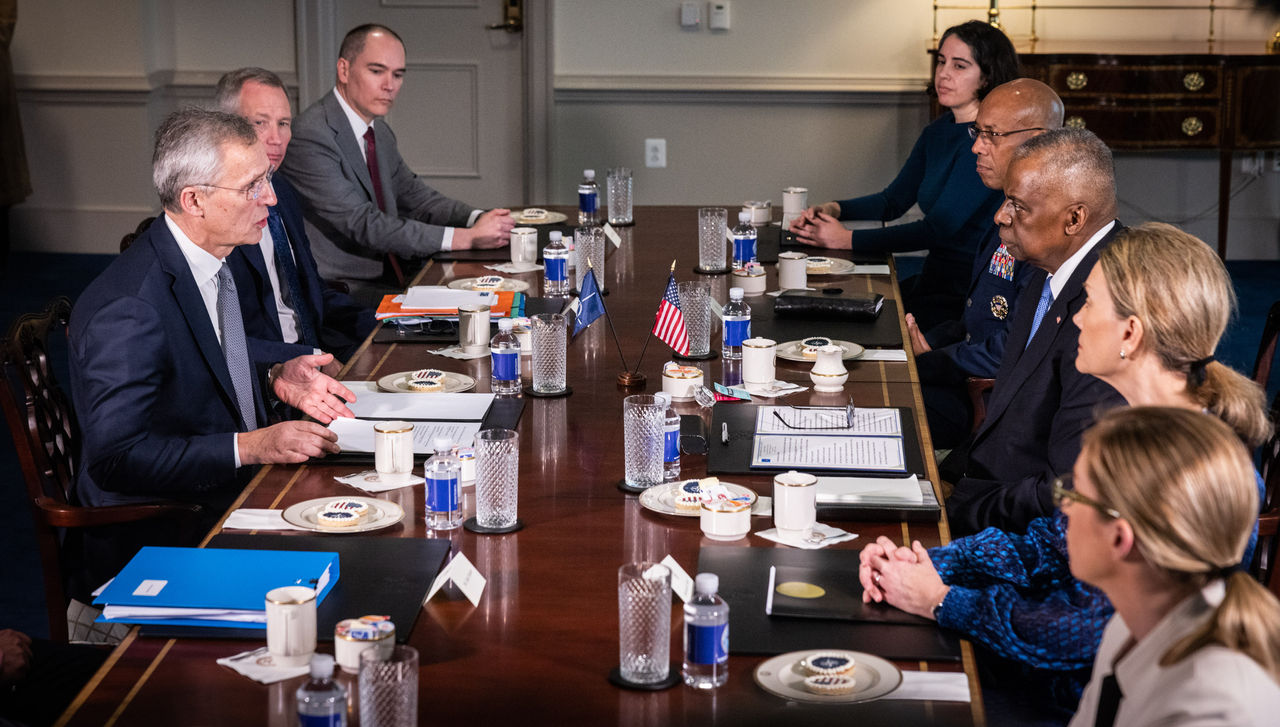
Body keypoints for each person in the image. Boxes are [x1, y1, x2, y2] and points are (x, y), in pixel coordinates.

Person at [860, 224, 1271, 722]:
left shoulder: (1186, 467)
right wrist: (929, 563)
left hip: (1078, 692)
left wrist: (943, 602)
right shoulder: (1139, 433)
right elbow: (1046, 545)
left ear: (1130, 334)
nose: (1073, 316)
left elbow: (1080, 630)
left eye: (1088, 302)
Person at [69, 108, 355, 589]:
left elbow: (202, 356)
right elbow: (116, 459)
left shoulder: (207, 261)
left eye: (265, 179)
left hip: (226, 493)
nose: (270, 197)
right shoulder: (130, 309)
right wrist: (251, 445)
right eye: (251, 187)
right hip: (164, 536)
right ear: (194, 200)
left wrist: (273, 374)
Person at [942, 127, 1125, 536]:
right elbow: (1006, 415)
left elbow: (1069, 490)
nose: (1000, 216)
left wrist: (957, 510)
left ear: (1074, 218)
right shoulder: (1048, 268)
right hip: (992, 491)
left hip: (1023, 529)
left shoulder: (1108, 307)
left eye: (1017, 206)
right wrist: (947, 477)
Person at [789, 20, 1018, 330]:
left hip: (964, 292)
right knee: (826, 308)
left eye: (960, 66)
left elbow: (937, 230)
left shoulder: (986, 143)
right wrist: (834, 208)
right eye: (941, 62)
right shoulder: (937, 131)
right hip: (933, 278)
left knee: (847, 322)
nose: (943, 74)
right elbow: (892, 201)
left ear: (987, 76)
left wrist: (847, 239)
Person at [1066, 408, 1280, 726]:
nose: (1065, 506)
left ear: (1119, 537)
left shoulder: (1208, 710)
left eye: (1075, 494)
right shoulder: (1128, 627)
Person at [281, 24, 514, 303]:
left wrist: (479, 218)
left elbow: (417, 198)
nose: (390, 85)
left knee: (497, 300)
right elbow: (364, 223)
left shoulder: (378, 132)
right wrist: (468, 238)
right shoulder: (310, 135)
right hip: (343, 292)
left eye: (398, 74)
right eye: (377, 71)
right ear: (344, 70)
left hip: (396, 275)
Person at [907, 78, 1063, 448]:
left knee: (885, 407)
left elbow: (1014, 350)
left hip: (993, 402)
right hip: (967, 372)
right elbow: (976, 318)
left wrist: (932, 362)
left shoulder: (1043, 229)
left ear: (1037, 139)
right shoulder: (1006, 206)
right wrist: (927, 344)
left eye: (991, 134)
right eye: (978, 132)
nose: (977, 146)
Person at [215, 67, 376, 368]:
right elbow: (223, 338)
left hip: (318, 349)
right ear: (227, 128)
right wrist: (308, 359)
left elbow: (310, 292)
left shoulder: (283, 192)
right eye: (260, 123)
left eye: (284, 123)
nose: (276, 138)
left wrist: (386, 322)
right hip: (268, 373)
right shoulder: (217, 212)